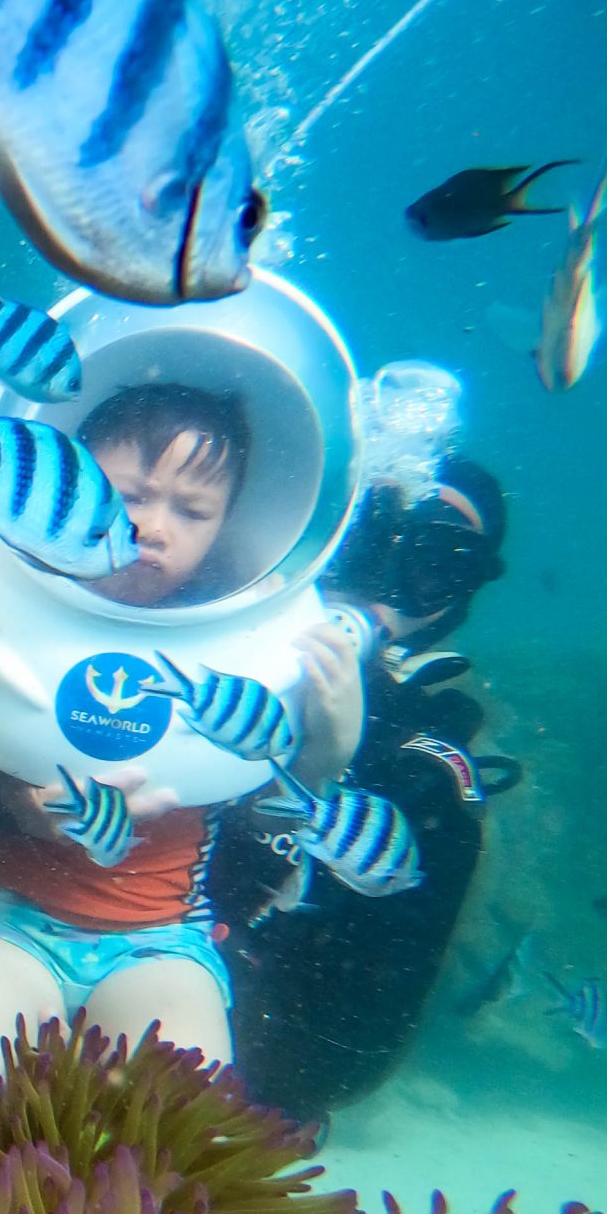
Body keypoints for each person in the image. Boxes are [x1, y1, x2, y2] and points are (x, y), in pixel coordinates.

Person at [0, 383, 367, 1141]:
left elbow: (279, 812)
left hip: (166, 934)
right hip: (8, 917)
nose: (152, 529)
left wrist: (331, 742)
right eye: (129, 496)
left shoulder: (252, 639)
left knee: (186, 1133)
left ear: (228, 523)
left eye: (192, 511)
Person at [212, 455, 513, 1121]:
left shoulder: (428, 778)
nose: (381, 583)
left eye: (433, 565)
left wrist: (328, 760)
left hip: (229, 1097)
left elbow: (341, 1060)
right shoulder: (178, 618)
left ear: (455, 602)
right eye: (365, 540)